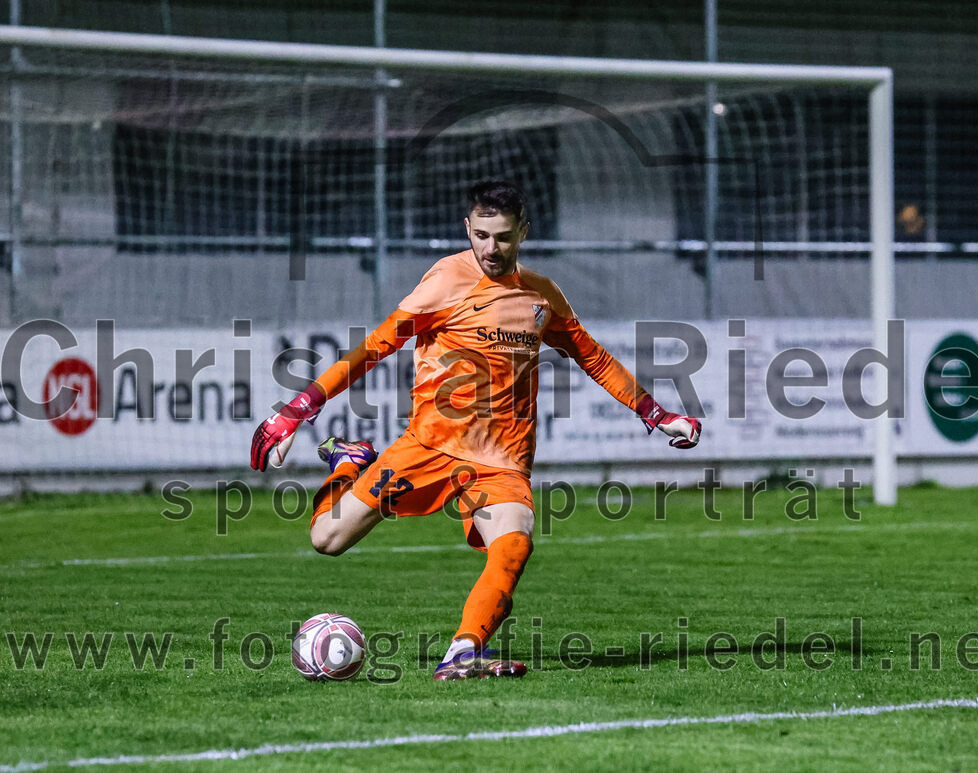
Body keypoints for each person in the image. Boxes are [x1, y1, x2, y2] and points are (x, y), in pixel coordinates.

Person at [250, 180, 701, 680]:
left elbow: (591, 356)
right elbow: (375, 347)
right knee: (326, 539)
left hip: (500, 461)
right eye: (481, 235)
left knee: (515, 543)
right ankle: (351, 463)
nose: (490, 248)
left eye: (503, 237)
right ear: (468, 227)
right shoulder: (445, 282)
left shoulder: (541, 297)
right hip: (428, 446)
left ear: (523, 232)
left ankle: (462, 652)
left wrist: (655, 413)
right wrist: (299, 407)